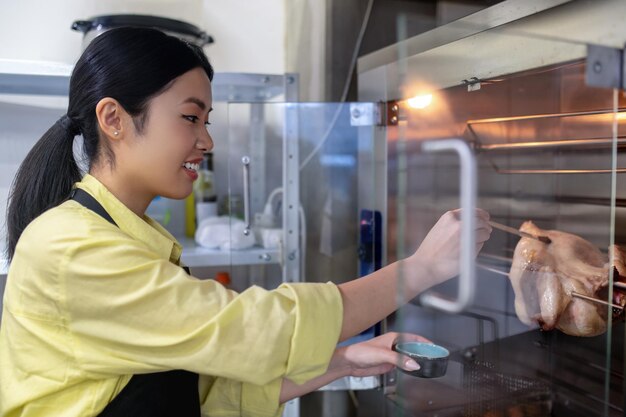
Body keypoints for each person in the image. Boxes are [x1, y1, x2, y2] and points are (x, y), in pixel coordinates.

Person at [0, 27, 492, 417]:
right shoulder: (73, 249)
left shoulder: (127, 240)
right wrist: (421, 269)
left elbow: (202, 397)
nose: (207, 141)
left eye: (207, 120)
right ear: (114, 119)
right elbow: (255, 328)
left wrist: (340, 360)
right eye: (191, 118)